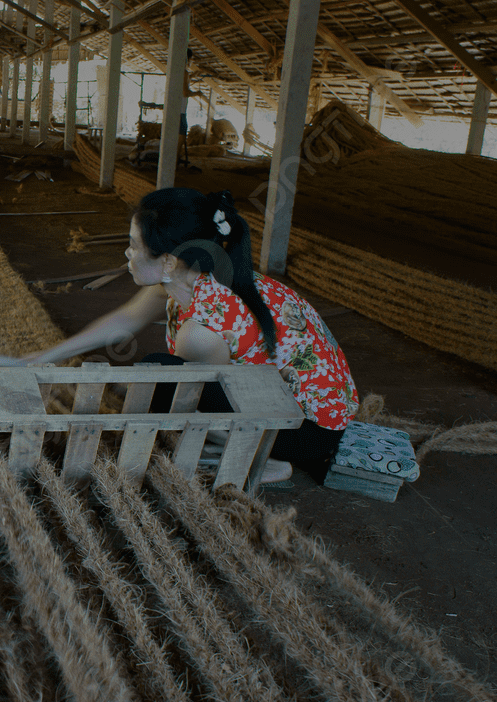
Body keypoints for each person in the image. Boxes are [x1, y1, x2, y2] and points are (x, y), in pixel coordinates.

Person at [24, 188, 358, 483]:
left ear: (168, 261)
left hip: (308, 434)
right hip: (319, 410)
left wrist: (123, 386)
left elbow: (199, 402)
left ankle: (267, 460)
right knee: (160, 375)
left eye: (133, 244)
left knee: (160, 378)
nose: (127, 253)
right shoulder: (195, 276)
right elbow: (125, 319)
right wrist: (41, 358)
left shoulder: (200, 330)